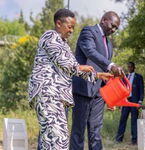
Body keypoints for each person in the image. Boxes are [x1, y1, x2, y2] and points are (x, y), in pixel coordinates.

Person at [28, 9, 113, 150]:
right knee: (58, 139)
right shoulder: (50, 36)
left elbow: (74, 69)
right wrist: (80, 67)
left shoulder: (64, 44)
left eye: (73, 27)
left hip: (56, 96)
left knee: (49, 139)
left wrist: (98, 75)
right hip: (48, 93)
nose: (72, 30)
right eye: (69, 26)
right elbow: (66, 63)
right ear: (58, 23)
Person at [70, 11, 123, 150]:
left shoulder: (109, 44)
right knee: (78, 131)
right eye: (112, 25)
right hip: (83, 89)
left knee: (96, 131)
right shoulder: (88, 31)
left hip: (99, 94)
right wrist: (111, 66)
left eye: (116, 28)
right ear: (104, 20)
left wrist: (111, 97)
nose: (113, 29)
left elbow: (105, 71)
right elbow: (90, 52)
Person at [116, 62, 144, 145]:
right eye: (128, 67)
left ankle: (134, 140)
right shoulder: (125, 77)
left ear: (134, 67)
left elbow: (141, 89)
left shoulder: (138, 77)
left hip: (134, 101)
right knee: (122, 119)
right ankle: (119, 139)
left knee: (134, 120)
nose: (129, 68)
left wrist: (140, 101)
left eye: (131, 66)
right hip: (126, 101)